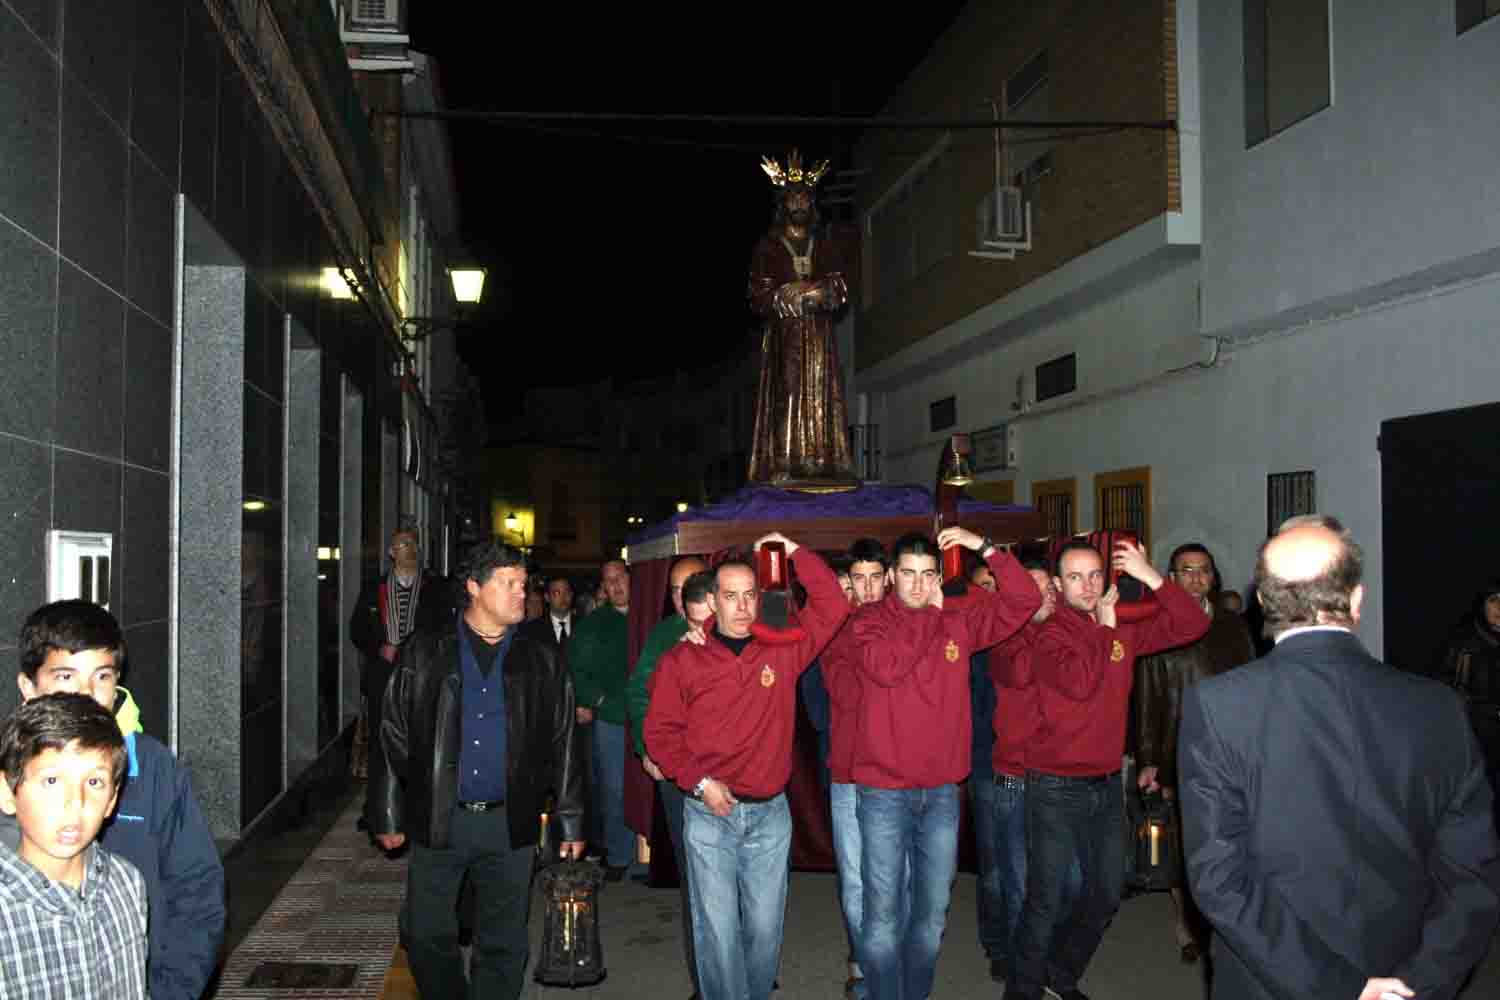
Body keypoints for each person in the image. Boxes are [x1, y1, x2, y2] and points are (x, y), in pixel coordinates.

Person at [1181, 515, 1500, 1000]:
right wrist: (1421, 981)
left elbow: (1221, 877)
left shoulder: (1220, 705)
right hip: (1405, 968)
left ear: (1263, 602)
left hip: (1274, 979)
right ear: (1356, 599)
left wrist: (1339, 987)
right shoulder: (1439, 707)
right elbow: (1474, 874)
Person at [371, 539, 586, 1000]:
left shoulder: (540, 658)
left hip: (510, 822)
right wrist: (388, 814)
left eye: (523, 584)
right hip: (440, 816)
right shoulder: (426, 651)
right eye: (508, 583)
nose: (520, 593)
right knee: (427, 933)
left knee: (504, 941)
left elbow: (564, 740)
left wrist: (570, 819)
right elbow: (393, 733)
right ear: (473, 587)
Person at [645, 533, 849, 1000]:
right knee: (717, 933)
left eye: (749, 595)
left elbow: (832, 604)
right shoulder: (684, 658)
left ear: (761, 599)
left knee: (763, 931)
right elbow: (660, 734)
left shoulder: (783, 647)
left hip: (769, 815)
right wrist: (698, 783)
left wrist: (793, 550)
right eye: (730, 596)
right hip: (708, 813)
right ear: (712, 600)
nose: (740, 606)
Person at [1005, 538, 1209, 1000]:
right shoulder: (1046, 631)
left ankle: (1060, 972)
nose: (1088, 586)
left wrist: (1153, 576)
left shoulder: (1116, 626)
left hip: (1104, 781)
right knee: (1046, 898)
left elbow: (1193, 624)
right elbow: (1080, 683)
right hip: (1054, 784)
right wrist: (1107, 631)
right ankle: (1021, 991)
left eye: (1095, 575)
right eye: (1075, 577)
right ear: (1056, 585)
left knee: (1107, 892)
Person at [851, 529, 1042, 1000]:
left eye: (928, 575)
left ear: (940, 575)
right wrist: (935, 612)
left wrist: (986, 548)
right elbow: (889, 666)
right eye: (909, 575)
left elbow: (1024, 600)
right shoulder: (867, 622)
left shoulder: (960, 622)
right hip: (883, 793)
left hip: (940, 793)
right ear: (892, 576)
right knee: (882, 916)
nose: (918, 586)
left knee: (932, 915)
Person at [3, 600, 225, 1000]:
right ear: (28, 687)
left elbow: (196, 890)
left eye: (101, 676)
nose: (86, 694)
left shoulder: (153, 768)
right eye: (66, 676)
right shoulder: (14, 775)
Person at [1133, 543, 1255, 963]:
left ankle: (1224, 920)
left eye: (1204, 571)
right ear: (1170, 576)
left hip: (1230, 748)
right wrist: (1149, 756)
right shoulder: (1157, 623)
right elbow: (1146, 695)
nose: (1196, 578)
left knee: (1227, 837)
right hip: (1177, 744)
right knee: (1183, 841)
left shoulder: (1233, 626)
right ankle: (1186, 923)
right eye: (1186, 571)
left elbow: (1251, 684)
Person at [0, 692, 148, 999]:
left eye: (94, 783)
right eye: (52, 781)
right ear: (7, 792)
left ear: (112, 800)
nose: (75, 803)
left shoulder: (127, 883)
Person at [623, 555, 709, 999]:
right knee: (696, 882)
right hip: (681, 779)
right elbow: (638, 693)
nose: (681, 598)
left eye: (690, 586)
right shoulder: (664, 636)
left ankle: (747, 967)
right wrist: (647, 749)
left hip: (735, 778)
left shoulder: (744, 624)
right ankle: (705, 979)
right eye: (674, 590)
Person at [747, 150, 857, 485]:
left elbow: (839, 288)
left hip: (819, 333)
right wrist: (785, 293)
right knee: (790, 393)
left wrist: (807, 290)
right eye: (792, 199)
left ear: (812, 205)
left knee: (823, 396)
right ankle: (786, 462)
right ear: (783, 205)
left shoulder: (823, 244)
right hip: (787, 334)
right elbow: (758, 294)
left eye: (804, 199)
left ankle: (822, 461)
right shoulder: (769, 247)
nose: (799, 205)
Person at [820, 538, 892, 999]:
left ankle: (886, 962)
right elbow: (848, 696)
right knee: (856, 878)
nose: (865, 589)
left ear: (887, 579)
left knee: (895, 877)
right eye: (856, 580)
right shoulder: (836, 630)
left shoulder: (907, 622)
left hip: (896, 771)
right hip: (848, 770)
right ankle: (864, 963)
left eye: (873, 579)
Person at [350, 527, 453, 818]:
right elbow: (356, 629)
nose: (408, 549)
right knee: (381, 743)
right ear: (391, 553)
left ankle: (417, 809)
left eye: (412, 544)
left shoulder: (435, 588)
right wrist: (379, 646)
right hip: (383, 674)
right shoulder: (374, 588)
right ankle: (380, 811)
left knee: (420, 740)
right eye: (402, 545)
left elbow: (445, 629)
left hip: (421, 676)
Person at [569, 558, 638, 878]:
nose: (616, 586)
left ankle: (650, 857)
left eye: (620, 578)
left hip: (651, 717)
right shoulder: (594, 624)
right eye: (609, 582)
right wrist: (596, 700)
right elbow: (577, 669)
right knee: (614, 789)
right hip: (611, 719)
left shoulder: (649, 615)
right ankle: (619, 854)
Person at [1435, 579, 1500, 803]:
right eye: (1494, 600)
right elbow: (1448, 692)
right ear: (1483, 604)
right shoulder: (1464, 644)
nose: (1499, 608)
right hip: (1477, 737)